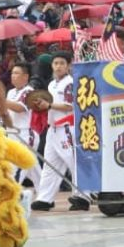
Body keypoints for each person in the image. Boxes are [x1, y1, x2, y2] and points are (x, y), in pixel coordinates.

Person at [31, 52, 87, 211]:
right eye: (56, 63)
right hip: (53, 128)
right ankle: (45, 198)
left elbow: (70, 106)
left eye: (62, 63)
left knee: (74, 162)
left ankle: (83, 196)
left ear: (69, 65)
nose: (58, 66)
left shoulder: (70, 83)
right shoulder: (51, 84)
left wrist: (48, 105)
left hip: (67, 128)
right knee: (50, 164)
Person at [4, 62, 41, 191]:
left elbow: (20, 108)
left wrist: (0, 100)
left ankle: (12, 193)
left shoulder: (29, 92)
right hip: (12, 133)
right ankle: (45, 196)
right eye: (12, 73)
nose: (13, 76)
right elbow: (6, 111)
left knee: (19, 165)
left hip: (26, 134)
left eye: (17, 73)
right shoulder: (10, 92)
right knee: (33, 168)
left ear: (25, 77)